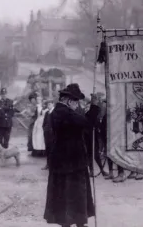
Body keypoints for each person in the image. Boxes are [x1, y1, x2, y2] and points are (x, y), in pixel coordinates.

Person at [44, 83, 100, 227]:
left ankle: (67, 223)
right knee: (76, 194)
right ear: (69, 101)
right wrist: (94, 106)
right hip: (73, 161)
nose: (78, 105)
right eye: (77, 102)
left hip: (60, 161)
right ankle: (79, 222)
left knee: (63, 195)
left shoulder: (56, 112)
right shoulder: (66, 113)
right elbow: (87, 123)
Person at [42, 99, 55, 170]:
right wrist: (44, 129)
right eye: (47, 104)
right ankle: (48, 164)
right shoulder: (47, 113)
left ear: (53, 104)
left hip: (53, 134)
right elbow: (44, 123)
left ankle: (53, 165)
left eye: (50, 104)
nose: (48, 106)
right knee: (48, 149)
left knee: (53, 149)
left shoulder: (55, 112)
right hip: (46, 134)